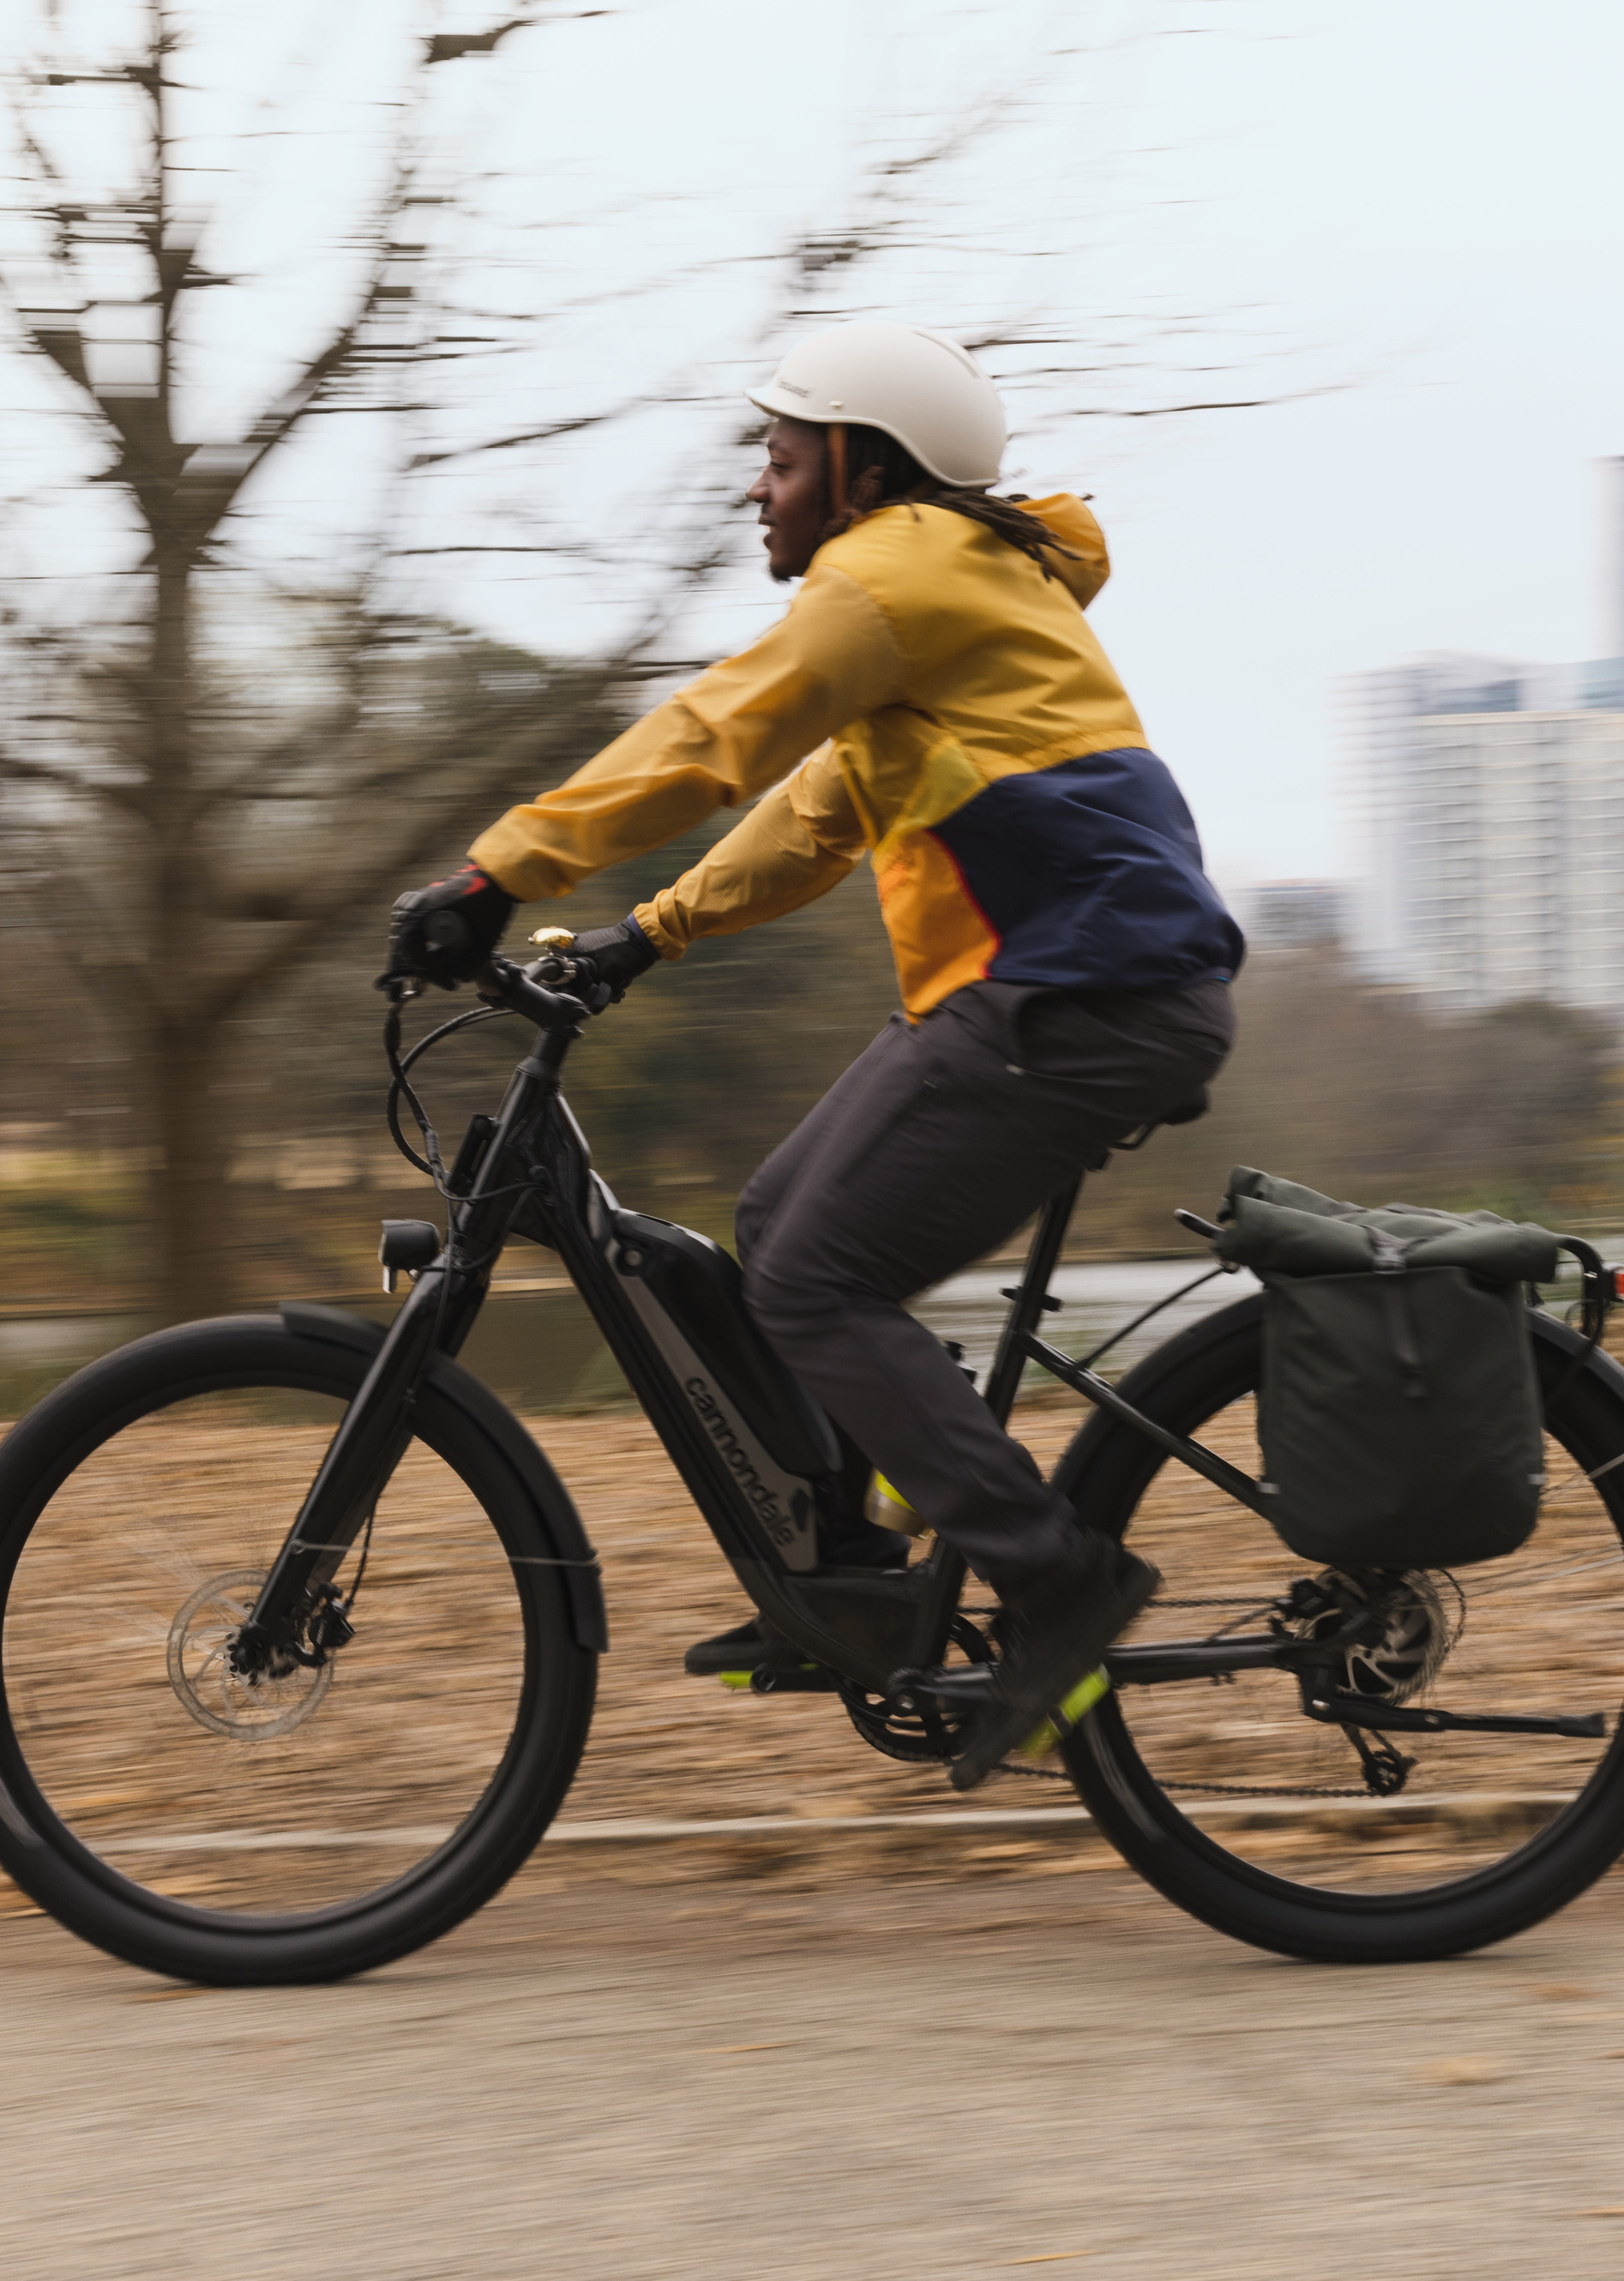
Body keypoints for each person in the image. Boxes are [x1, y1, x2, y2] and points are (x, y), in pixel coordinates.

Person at [383, 321, 1242, 1790]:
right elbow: (810, 809)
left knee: (810, 1278)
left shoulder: (897, 573)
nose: (759, 490)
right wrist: (636, 937)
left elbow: (720, 727)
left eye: (781, 459)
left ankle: (1057, 1578)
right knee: (781, 1229)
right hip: (1060, 988)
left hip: (1083, 991)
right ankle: (843, 1578)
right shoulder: (944, 603)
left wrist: (499, 876)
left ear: (858, 464)